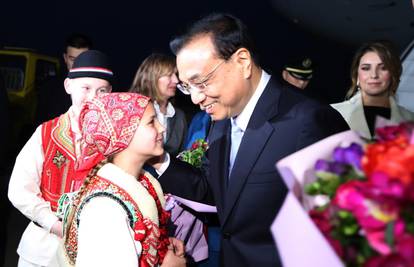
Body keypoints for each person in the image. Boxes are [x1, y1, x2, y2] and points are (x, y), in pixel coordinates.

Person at [154, 13, 350, 266]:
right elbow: (219, 195)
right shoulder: (222, 121)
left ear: (243, 61)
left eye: (201, 82)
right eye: (187, 86)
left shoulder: (309, 121)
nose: (195, 98)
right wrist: (159, 159)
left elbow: (343, 229)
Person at [8, 50, 113, 267]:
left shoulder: (114, 140)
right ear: (68, 86)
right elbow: (19, 189)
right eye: (85, 88)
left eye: (102, 90)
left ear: (110, 92)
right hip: (41, 252)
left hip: (93, 253)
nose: (93, 97)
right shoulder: (46, 133)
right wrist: (54, 224)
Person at [59, 92, 186, 267]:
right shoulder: (104, 209)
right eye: (151, 122)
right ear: (124, 134)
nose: (161, 128)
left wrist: (159, 247)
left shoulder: (142, 182)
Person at [331, 41, 414, 140]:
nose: (374, 75)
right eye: (366, 68)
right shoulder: (332, 113)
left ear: (393, 76)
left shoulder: (410, 119)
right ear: (357, 76)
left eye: (383, 68)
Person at [130, 53, 187, 157]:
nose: (176, 80)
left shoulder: (179, 116)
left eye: (175, 74)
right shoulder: (133, 111)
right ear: (151, 77)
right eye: (169, 75)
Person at [35, 33, 93, 125]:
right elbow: (39, 126)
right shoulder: (48, 89)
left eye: (82, 59)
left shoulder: (101, 91)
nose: (77, 65)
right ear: (65, 58)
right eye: (73, 59)